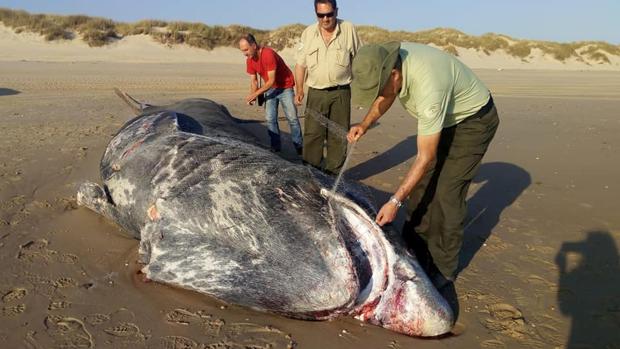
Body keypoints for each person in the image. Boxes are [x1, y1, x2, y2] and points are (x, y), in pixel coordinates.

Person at [347, 42, 500, 289]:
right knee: (421, 189)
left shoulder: (428, 89)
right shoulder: (387, 61)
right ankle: (413, 248)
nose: (378, 93)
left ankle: (444, 267)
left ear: (394, 74)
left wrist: (395, 201)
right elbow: (385, 96)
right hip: (445, 116)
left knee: (447, 194)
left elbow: (425, 158)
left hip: (474, 121)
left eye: (379, 86)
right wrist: (364, 124)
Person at [295, 0, 361, 174]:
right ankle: (310, 173)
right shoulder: (308, 33)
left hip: (341, 93)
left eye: (329, 14)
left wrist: (362, 92)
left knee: (338, 135)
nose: (325, 19)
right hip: (316, 93)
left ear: (336, 11)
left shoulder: (348, 29)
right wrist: (299, 89)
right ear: (316, 14)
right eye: (321, 15)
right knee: (313, 135)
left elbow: (360, 61)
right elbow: (300, 65)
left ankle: (333, 174)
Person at [239, 33, 303, 154]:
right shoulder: (250, 60)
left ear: (254, 45)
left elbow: (271, 80)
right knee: (270, 118)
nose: (245, 53)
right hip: (270, 88)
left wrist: (255, 94)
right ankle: (276, 147)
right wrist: (253, 95)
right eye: (242, 51)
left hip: (285, 86)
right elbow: (254, 80)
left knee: (292, 118)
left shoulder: (268, 54)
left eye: (246, 50)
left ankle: (299, 146)